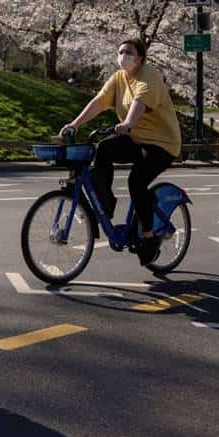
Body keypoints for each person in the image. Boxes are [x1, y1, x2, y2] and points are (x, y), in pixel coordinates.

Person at [59, 37, 181, 266]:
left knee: (137, 181)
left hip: (162, 143)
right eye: (121, 51)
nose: (123, 56)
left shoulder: (149, 75)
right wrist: (75, 124)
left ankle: (148, 234)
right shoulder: (118, 79)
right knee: (104, 149)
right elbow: (98, 102)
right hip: (136, 139)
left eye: (129, 52)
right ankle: (105, 203)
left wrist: (127, 124)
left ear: (141, 57)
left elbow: (139, 102)